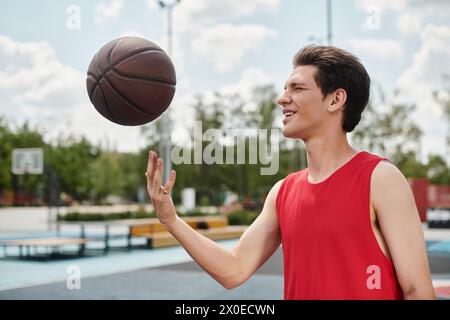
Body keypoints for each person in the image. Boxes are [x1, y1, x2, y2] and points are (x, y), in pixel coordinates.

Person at [145, 45, 435, 300]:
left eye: (297, 88)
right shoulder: (283, 192)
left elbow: (417, 291)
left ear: (335, 100)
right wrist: (171, 220)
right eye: (285, 88)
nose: (282, 99)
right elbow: (234, 269)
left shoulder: (380, 178)